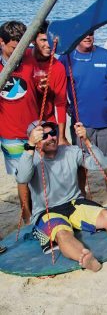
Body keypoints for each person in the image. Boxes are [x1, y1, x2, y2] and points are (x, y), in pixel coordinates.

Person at [15, 120, 107, 271]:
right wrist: (30, 145)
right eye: (44, 136)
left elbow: (101, 164)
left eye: (53, 133)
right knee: (63, 233)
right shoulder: (30, 159)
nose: (51, 137)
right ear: (36, 141)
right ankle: (84, 258)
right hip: (48, 211)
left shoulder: (70, 151)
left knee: (106, 216)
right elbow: (22, 178)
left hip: (74, 203)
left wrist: (87, 141)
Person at [59, 31, 107, 190]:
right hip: (82, 121)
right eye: (83, 34)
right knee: (81, 159)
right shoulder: (66, 58)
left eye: (90, 34)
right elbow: (58, 86)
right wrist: (65, 104)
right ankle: (81, 190)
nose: (87, 37)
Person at [0, 21, 38, 223]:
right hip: (10, 133)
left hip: (34, 128)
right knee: (22, 177)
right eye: (15, 48)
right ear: (1, 42)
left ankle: (40, 213)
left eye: (23, 47)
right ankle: (27, 218)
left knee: (39, 174)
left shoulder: (31, 55)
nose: (20, 52)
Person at [24, 21, 68, 145]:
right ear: (33, 40)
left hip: (47, 123)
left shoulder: (58, 67)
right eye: (43, 40)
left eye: (51, 40)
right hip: (24, 123)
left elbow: (60, 104)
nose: (49, 45)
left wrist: (62, 136)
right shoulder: (23, 57)